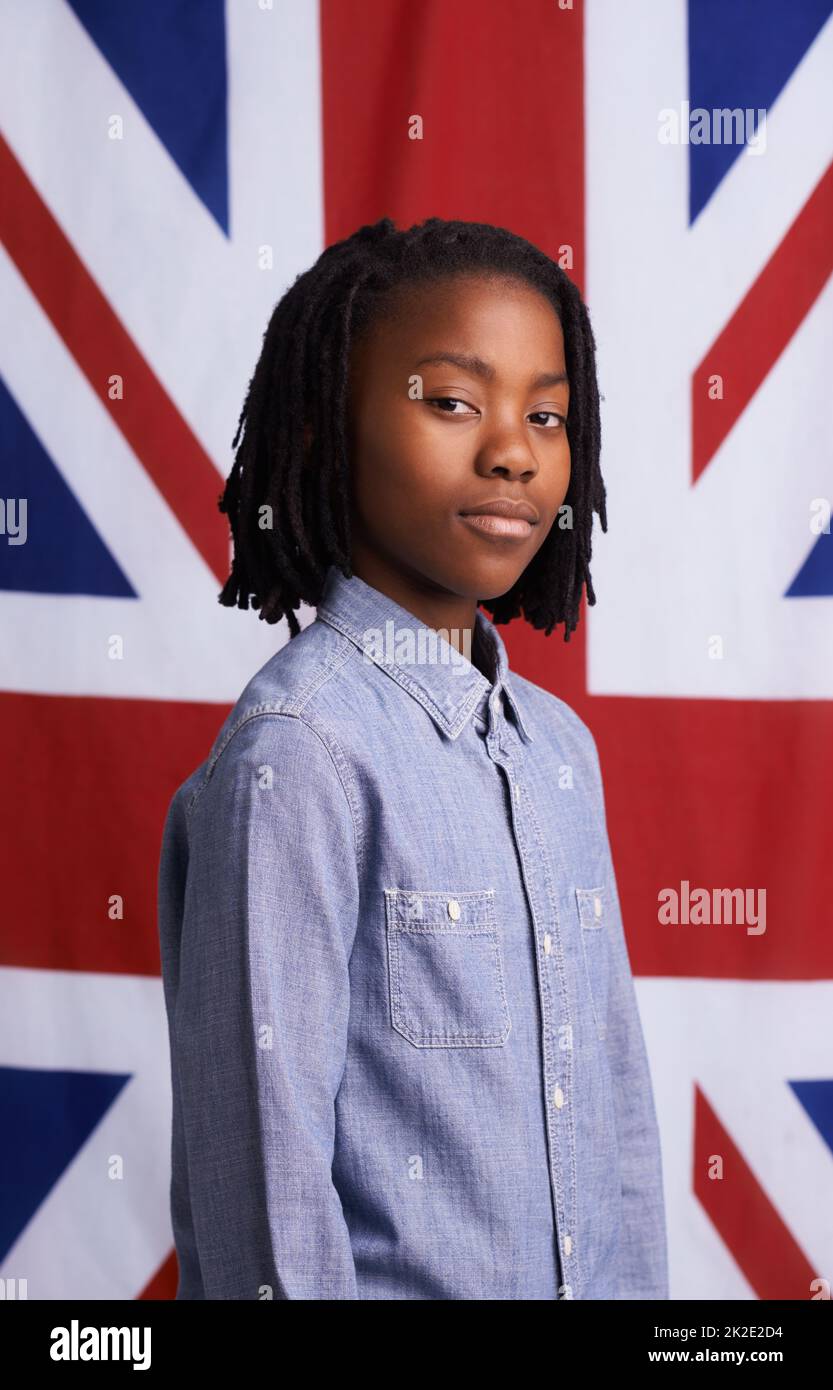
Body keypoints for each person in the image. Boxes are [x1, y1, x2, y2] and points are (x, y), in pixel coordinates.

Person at [157, 216, 669, 1300]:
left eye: (546, 414)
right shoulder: (297, 758)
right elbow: (263, 1192)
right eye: (450, 401)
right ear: (318, 431)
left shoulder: (559, 755)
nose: (512, 450)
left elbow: (618, 1123)